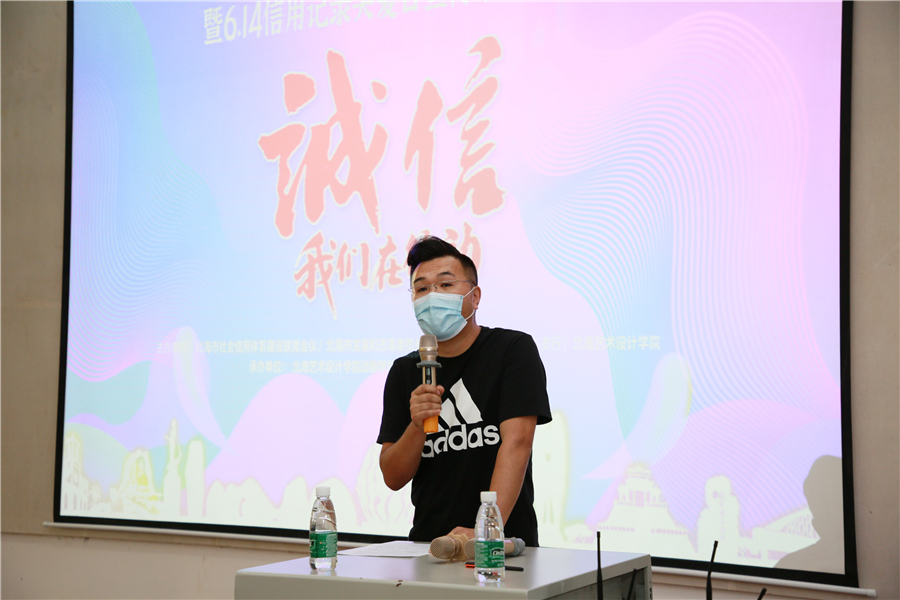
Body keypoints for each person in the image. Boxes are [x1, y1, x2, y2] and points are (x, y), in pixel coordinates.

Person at [377, 236, 552, 546]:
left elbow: (518, 443)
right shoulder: (405, 370)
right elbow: (393, 477)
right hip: (431, 546)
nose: (432, 296)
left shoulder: (512, 350)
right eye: (421, 289)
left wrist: (486, 531)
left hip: (502, 546)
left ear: (475, 296)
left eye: (445, 285)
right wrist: (417, 425)